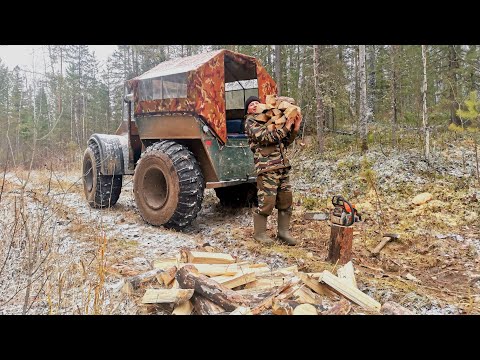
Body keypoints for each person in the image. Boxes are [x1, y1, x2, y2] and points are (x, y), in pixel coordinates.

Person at [244, 95, 302, 246]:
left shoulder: (271, 119)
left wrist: (294, 127)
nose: (255, 105)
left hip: (282, 166)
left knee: (286, 200)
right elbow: (266, 137)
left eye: (257, 102)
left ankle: (283, 233)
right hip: (267, 167)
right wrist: (286, 127)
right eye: (251, 104)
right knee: (266, 201)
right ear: (248, 110)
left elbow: (284, 142)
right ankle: (259, 234)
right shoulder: (251, 122)